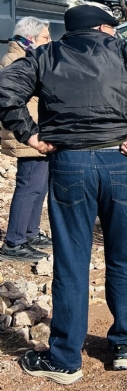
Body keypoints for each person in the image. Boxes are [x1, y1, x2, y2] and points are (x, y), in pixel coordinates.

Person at [0, 5, 127, 384]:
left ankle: (65, 359)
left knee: (71, 261)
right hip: (121, 163)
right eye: (113, 28)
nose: (115, 33)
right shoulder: (124, 52)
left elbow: (5, 90)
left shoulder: (45, 56)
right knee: (124, 256)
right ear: (102, 27)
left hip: (70, 166)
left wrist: (29, 134)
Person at [0, 18, 53, 262]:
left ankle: (30, 234)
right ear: (30, 38)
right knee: (29, 186)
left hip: (36, 130)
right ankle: (14, 243)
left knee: (39, 186)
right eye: (45, 38)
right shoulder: (16, 60)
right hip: (27, 132)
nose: (49, 42)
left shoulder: (28, 56)